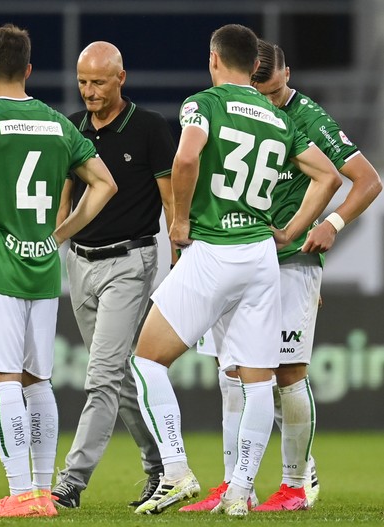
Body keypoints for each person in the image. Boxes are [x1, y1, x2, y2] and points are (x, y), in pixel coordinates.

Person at [129, 24, 342, 516]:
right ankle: (242, 492)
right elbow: (327, 176)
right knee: (257, 379)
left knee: (146, 360)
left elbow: (185, 157)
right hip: (262, 259)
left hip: (214, 249)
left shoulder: (204, 104)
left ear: (214, 60)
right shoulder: (277, 116)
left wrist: (179, 221)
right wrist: (289, 230)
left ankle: (177, 471)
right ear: (255, 65)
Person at [0, 24, 118, 518]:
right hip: (41, 265)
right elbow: (104, 184)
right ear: (29, 69)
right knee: (37, 381)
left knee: (5, 380)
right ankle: (40, 491)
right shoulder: (57, 123)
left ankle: (21, 493)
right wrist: (63, 232)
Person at [183, 39, 383, 513]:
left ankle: (296, 482)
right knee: (232, 370)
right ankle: (237, 484)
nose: (267, 101)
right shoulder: (230, 104)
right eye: (260, 90)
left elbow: (368, 179)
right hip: (236, 252)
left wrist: (329, 225)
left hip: (289, 258)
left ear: (287, 75)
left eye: (275, 93)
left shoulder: (307, 118)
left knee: (288, 372)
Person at [50, 41, 173, 510]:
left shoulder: (148, 127)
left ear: (121, 77)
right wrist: (55, 242)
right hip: (79, 261)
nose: (89, 91)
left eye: (98, 82)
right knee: (119, 378)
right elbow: (66, 194)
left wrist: (178, 254)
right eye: (82, 82)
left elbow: (169, 198)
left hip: (130, 262)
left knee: (100, 375)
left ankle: (71, 482)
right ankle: (163, 463)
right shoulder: (73, 127)